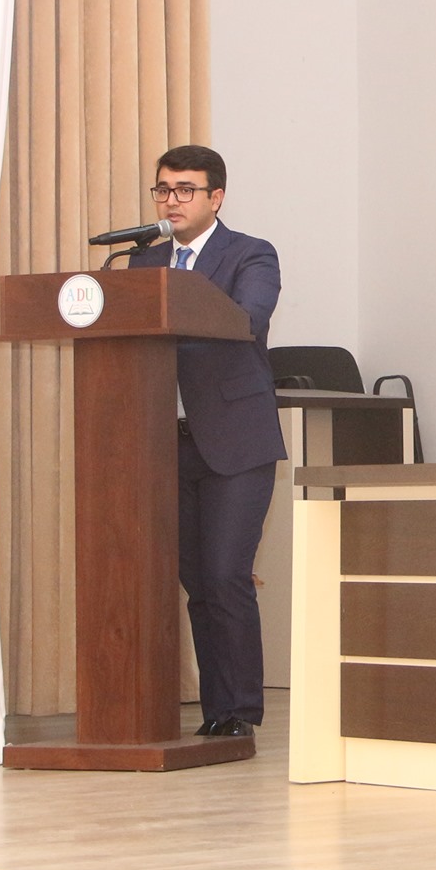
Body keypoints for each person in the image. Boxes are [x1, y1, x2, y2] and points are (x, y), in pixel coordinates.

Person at [129, 145, 285, 739]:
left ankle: (241, 710)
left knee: (225, 575)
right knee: (197, 581)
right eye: (163, 190)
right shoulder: (143, 262)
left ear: (216, 197)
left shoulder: (250, 254)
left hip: (235, 443)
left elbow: (246, 320)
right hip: (166, 443)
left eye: (185, 190)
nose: (171, 200)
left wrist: (172, 301)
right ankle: (217, 711)